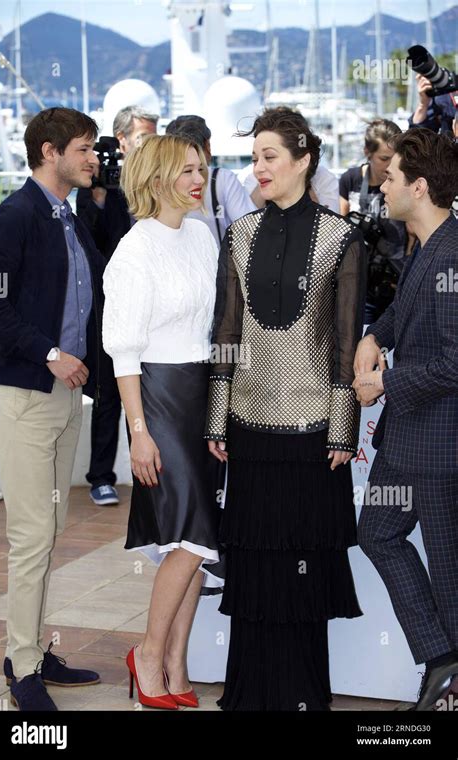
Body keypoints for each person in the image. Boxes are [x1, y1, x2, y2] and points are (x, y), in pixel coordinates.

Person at [205, 106, 367, 711]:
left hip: (312, 434)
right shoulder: (239, 232)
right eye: (253, 157)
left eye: (270, 156)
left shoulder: (341, 237)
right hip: (248, 432)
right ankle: (248, 696)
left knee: (301, 567)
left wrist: (343, 431)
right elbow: (226, 331)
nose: (258, 168)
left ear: (303, 160)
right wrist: (216, 418)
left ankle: (302, 697)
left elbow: (348, 342)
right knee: (253, 569)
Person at [0, 107, 107, 711]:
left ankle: (32, 647)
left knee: (52, 528)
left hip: (61, 396)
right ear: (49, 151)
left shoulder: (69, 216)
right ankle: (21, 664)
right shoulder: (16, 215)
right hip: (24, 396)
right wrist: (51, 352)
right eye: (84, 149)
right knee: (33, 535)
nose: (93, 159)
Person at [102, 134, 223, 709]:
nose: (200, 180)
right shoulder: (134, 249)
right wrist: (139, 430)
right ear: (155, 181)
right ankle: (147, 654)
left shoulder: (201, 235)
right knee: (191, 536)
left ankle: (175, 663)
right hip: (159, 397)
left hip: (204, 393)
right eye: (187, 171)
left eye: (202, 168)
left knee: (196, 539)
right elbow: (122, 351)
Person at [354, 128, 458, 711]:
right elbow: (404, 308)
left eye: (390, 177)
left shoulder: (453, 253)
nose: (381, 184)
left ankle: (448, 678)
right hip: (405, 442)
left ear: (418, 187)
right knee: (377, 532)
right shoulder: (426, 243)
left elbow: (454, 361)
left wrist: (383, 381)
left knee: (448, 570)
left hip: (441, 445)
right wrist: (375, 335)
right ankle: (442, 660)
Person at [77, 106, 158, 507]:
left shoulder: (148, 182)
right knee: (109, 391)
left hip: (148, 303)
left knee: (145, 388)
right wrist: (98, 195)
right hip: (109, 304)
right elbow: (92, 241)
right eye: (143, 136)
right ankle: (101, 476)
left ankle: (147, 470)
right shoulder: (92, 186)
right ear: (122, 139)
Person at [339, 118, 408, 323]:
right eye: (384, 158)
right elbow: (340, 228)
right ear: (367, 152)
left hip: (397, 280)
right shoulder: (350, 179)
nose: (389, 165)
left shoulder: (405, 182)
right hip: (360, 282)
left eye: (394, 158)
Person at [165, 114, 256, 247]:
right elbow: (251, 227)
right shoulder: (223, 178)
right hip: (217, 263)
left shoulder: (160, 182)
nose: (200, 180)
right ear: (208, 146)